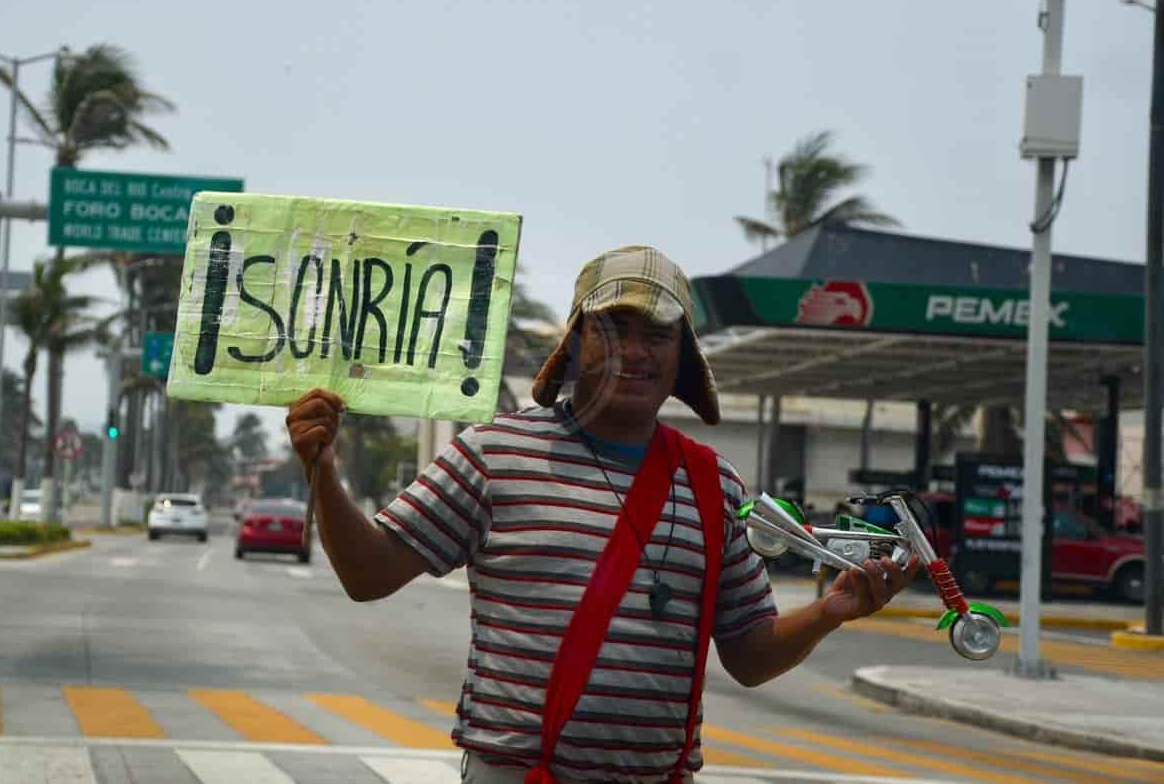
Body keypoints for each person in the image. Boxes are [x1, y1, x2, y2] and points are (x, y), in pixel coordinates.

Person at [286, 246, 919, 784]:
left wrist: (829, 613)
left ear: (682, 359)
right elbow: (368, 576)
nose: (634, 352)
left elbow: (750, 658)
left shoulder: (714, 484)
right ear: (574, 343)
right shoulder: (493, 453)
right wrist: (324, 471)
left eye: (658, 333)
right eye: (612, 327)